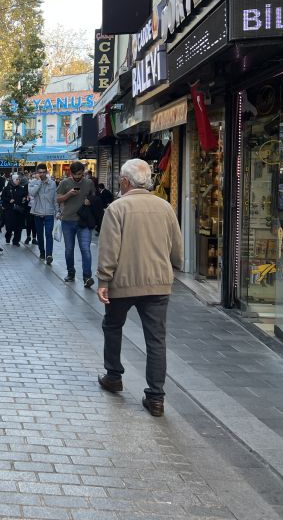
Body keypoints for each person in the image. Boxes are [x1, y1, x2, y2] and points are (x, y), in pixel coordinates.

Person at [97, 159, 183, 417]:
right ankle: (156, 397)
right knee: (156, 339)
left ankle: (114, 375)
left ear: (125, 181)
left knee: (112, 326)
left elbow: (109, 249)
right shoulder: (165, 207)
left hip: (123, 282)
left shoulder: (117, 208)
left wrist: (104, 279)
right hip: (158, 284)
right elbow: (177, 249)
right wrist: (172, 268)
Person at [57, 161, 98, 287]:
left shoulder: (89, 183)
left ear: (83, 172)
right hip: (68, 221)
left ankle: (87, 277)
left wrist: (90, 201)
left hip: (83, 221)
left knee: (85, 249)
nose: (77, 177)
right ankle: (71, 273)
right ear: (71, 173)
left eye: (80, 174)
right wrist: (69, 194)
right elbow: (58, 199)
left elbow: (95, 198)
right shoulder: (65, 183)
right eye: (75, 175)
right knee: (69, 250)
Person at [28, 164, 57, 264]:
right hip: (37, 213)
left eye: (44, 172)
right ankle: (42, 252)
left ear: (46, 172)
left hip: (49, 213)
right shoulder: (32, 183)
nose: (42, 174)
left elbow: (55, 198)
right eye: (40, 172)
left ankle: (49, 255)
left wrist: (58, 212)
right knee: (40, 235)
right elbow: (32, 193)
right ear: (37, 173)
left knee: (49, 234)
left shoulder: (52, 183)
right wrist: (40, 182)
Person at [0, 174, 27, 246]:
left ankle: (16, 241)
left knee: (18, 227)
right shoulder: (7, 188)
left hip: (19, 211)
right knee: (9, 227)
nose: (18, 181)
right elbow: (2, 198)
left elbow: (24, 196)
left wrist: (24, 199)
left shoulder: (21, 188)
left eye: (19, 179)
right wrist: (9, 200)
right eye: (17, 179)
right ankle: (8, 237)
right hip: (10, 211)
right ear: (13, 180)